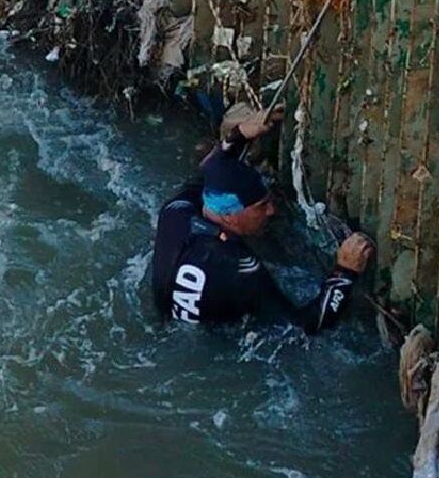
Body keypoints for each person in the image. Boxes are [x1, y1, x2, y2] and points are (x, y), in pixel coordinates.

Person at [151, 104, 374, 333]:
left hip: (169, 322)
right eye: (261, 206)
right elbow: (303, 326)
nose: (271, 211)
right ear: (229, 216)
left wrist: (238, 136)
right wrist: (345, 273)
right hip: (215, 344)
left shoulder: (175, 213)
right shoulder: (240, 269)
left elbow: (208, 172)